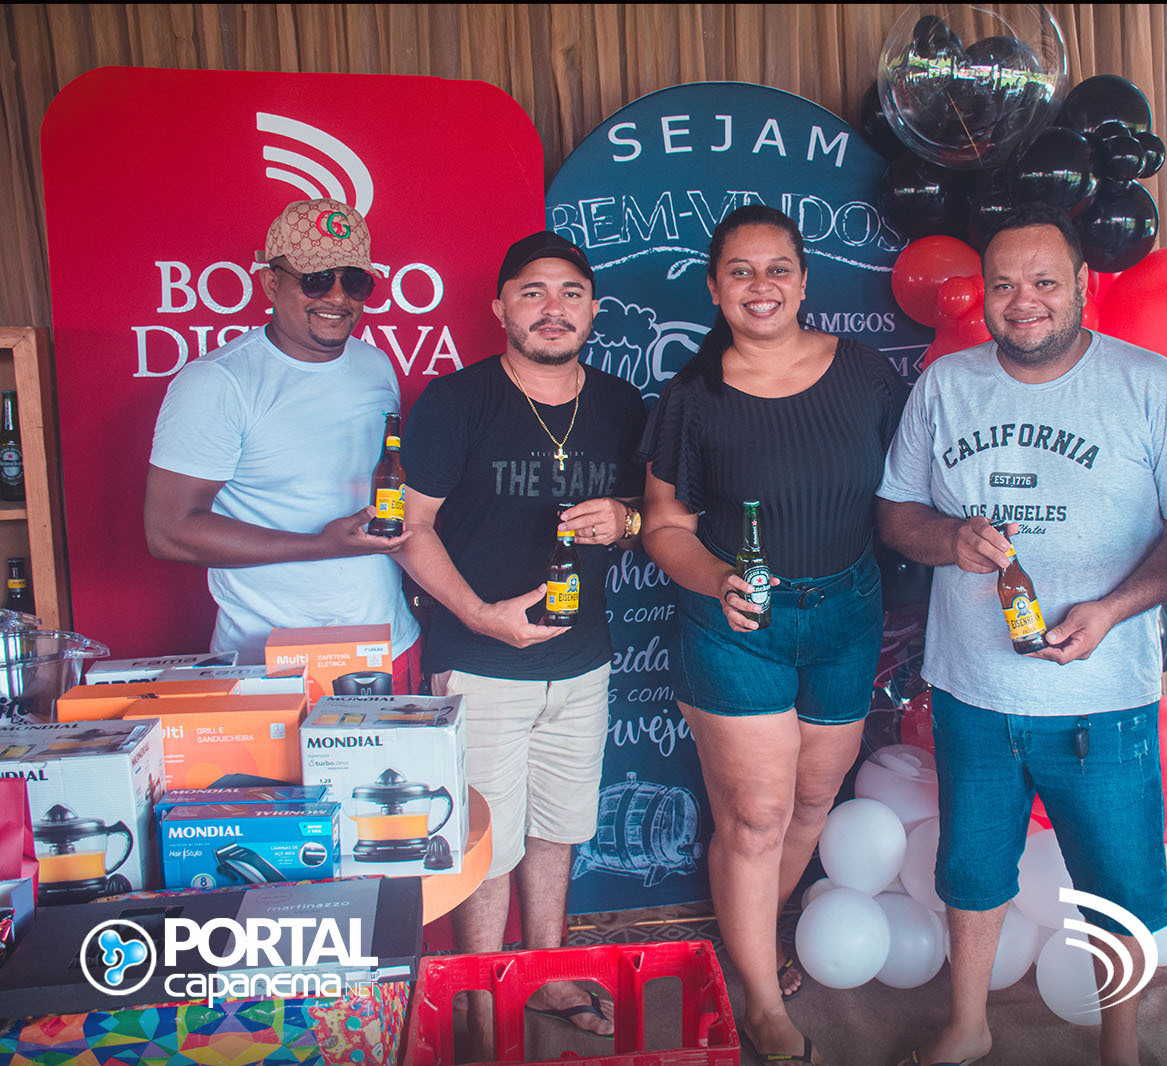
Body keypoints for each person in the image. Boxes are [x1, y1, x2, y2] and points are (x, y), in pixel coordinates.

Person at [877, 203, 1167, 1066]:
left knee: (1118, 881)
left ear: (1083, 286)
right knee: (971, 867)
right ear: (981, 293)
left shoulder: (1151, 384)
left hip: (1104, 697)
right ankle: (967, 1026)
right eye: (1003, 284)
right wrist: (947, 539)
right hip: (972, 689)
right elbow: (896, 511)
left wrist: (1112, 609)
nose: (1023, 300)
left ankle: (1120, 1047)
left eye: (1045, 281)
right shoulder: (945, 385)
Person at [638, 203, 908, 1064]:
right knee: (755, 817)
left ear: (803, 279)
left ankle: (751, 938)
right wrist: (717, 579)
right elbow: (663, 526)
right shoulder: (693, 397)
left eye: (777, 268)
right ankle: (759, 999)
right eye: (741, 271)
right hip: (736, 621)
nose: (761, 286)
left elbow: (907, 492)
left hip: (846, 613)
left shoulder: (864, 374)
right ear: (714, 288)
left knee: (811, 803)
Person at [396, 231, 645, 1053]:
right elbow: (410, 529)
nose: (552, 308)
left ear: (593, 310)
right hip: (480, 663)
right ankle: (482, 1006)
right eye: (532, 291)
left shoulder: (620, 404)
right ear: (500, 306)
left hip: (583, 660)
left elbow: (656, 519)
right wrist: (477, 614)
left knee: (556, 828)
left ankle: (546, 974)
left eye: (570, 292)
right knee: (485, 843)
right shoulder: (456, 401)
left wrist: (627, 520)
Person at [146, 198, 420, 677]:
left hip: (387, 643)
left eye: (354, 281)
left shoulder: (375, 365)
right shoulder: (219, 381)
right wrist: (321, 545)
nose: (338, 297)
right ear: (271, 283)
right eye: (317, 279)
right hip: (272, 659)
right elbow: (169, 532)